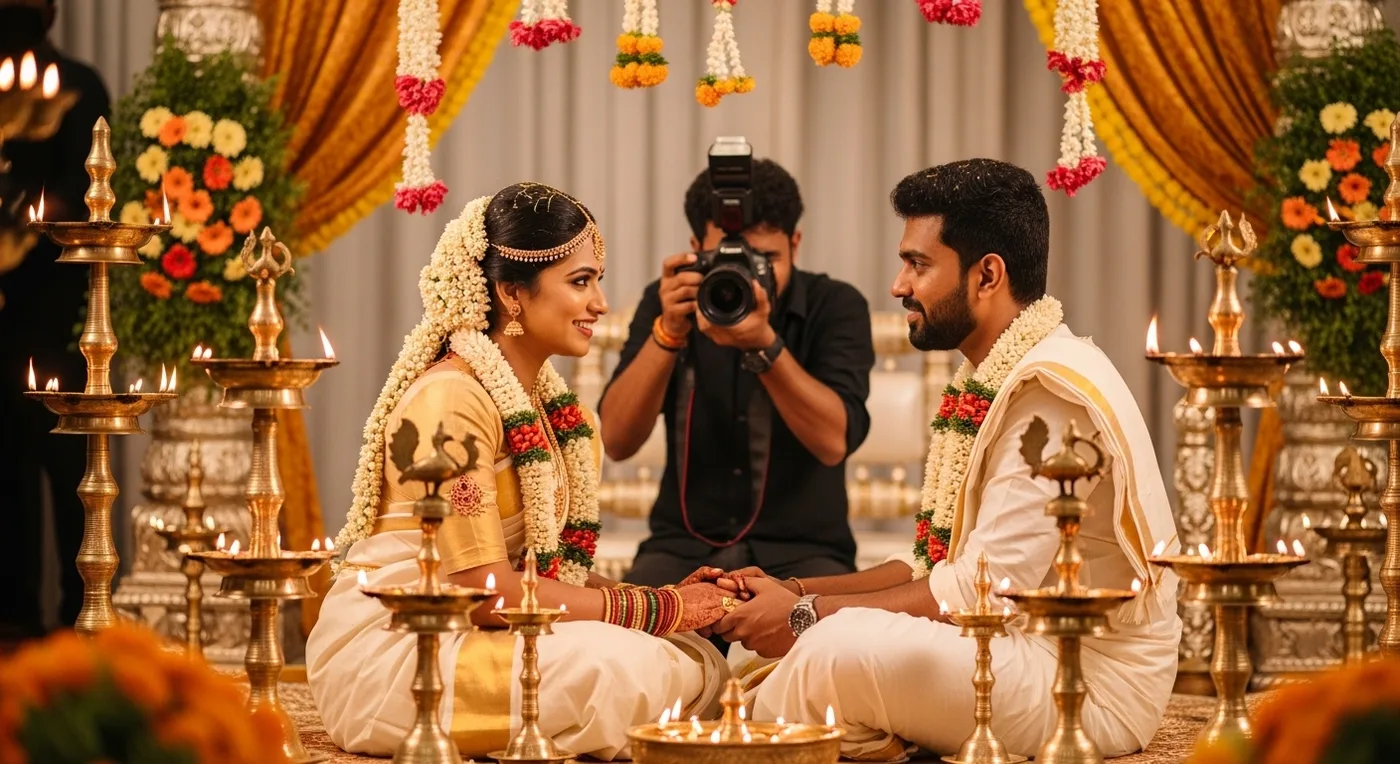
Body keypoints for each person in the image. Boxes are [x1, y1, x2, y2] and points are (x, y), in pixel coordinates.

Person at [714, 159, 1182, 760]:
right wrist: (794, 591)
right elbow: (929, 567)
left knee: (832, 649)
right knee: (782, 641)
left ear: (987, 275)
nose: (898, 285)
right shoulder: (990, 373)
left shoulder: (1050, 394)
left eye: (918, 264)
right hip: (1014, 645)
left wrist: (804, 615)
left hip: (1084, 681)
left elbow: (979, 590)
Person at [308, 184, 734, 759]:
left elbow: (544, 571)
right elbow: (480, 590)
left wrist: (662, 601)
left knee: (688, 656)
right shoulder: (452, 401)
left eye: (597, 281)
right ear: (512, 292)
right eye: (580, 282)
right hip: (405, 647)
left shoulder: (553, 413)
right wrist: (656, 610)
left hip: (493, 626)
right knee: (624, 669)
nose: (600, 303)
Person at [599, 157, 875, 591]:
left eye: (765, 259)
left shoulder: (836, 305)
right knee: (630, 631)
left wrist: (765, 346)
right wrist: (668, 332)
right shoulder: (668, 302)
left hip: (805, 553)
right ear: (695, 248)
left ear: (795, 244)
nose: (748, 278)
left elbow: (833, 442)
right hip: (680, 550)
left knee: (829, 634)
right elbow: (616, 441)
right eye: (725, 259)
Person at [0, 0, 112, 643]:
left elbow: (88, 195)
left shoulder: (75, 88)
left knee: (70, 467)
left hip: (57, 313)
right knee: (7, 471)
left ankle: (81, 618)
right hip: (14, 312)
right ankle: (15, 616)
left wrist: (23, 215)